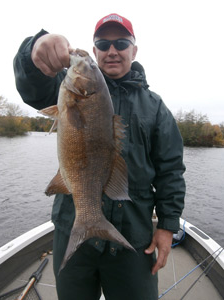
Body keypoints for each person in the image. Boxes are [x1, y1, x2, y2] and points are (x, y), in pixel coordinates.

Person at [13, 13, 185, 300]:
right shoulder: (65, 89)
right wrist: (36, 47)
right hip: (72, 228)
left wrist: (167, 226)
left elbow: (171, 171)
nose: (112, 50)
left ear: (134, 50)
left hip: (133, 235)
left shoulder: (155, 108)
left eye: (121, 42)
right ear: (94, 52)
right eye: (103, 44)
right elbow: (32, 86)